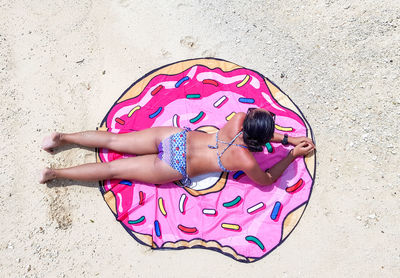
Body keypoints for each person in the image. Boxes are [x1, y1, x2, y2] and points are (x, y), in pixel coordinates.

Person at [40, 108, 315, 186]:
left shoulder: (239, 119)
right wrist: (291, 152)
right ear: (259, 141)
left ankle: (61, 137)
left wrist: (287, 138)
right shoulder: (245, 160)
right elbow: (267, 181)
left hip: (176, 138)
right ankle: (54, 174)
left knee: (113, 139)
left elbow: (258, 132)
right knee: (112, 169)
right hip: (175, 165)